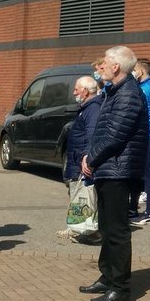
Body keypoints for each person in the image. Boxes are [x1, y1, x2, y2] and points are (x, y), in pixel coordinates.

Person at [78, 46, 148, 301]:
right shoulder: (114, 91)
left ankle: (120, 287)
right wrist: (89, 155)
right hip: (108, 168)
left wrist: (92, 159)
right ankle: (107, 276)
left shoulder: (128, 94)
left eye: (105, 63)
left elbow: (115, 135)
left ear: (116, 66)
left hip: (119, 169)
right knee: (106, 227)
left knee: (117, 230)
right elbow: (101, 130)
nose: (101, 67)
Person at [60, 75, 102, 241]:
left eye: (76, 89)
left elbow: (92, 135)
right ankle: (75, 227)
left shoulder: (93, 109)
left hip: (81, 161)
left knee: (83, 195)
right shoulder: (86, 108)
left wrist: (87, 156)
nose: (74, 92)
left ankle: (90, 231)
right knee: (76, 194)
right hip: (76, 159)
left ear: (85, 91)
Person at [130, 60, 150, 226]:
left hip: (148, 135)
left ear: (141, 71)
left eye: (134, 69)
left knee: (149, 174)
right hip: (140, 134)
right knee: (140, 172)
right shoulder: (139, 86)